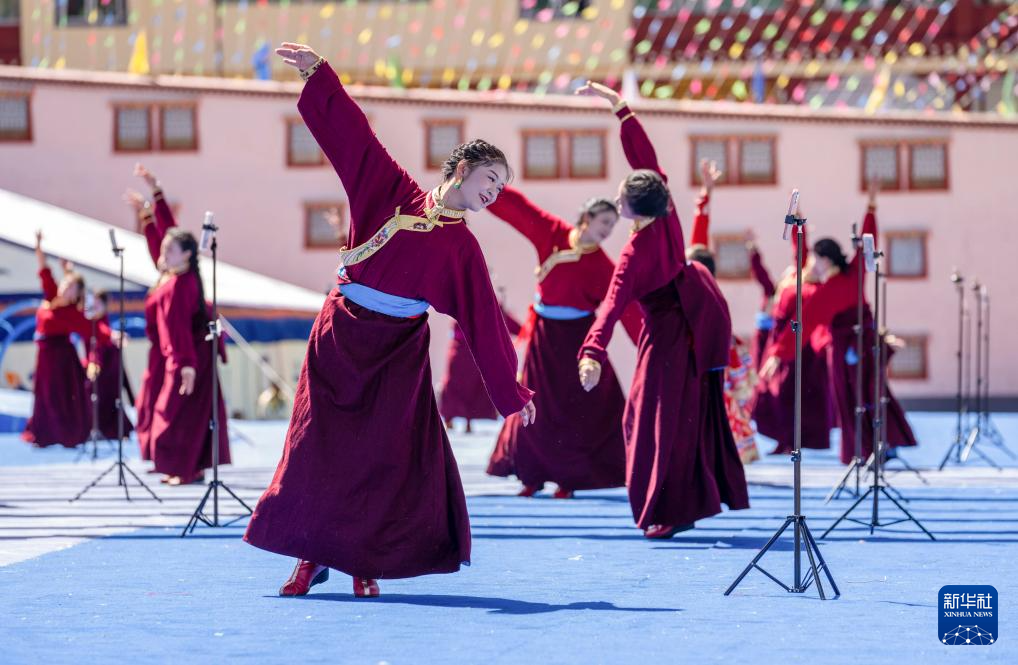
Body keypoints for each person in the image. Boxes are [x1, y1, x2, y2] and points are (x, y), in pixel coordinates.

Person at [243, 43, 535, 599]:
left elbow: (486, 325)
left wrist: (512, 394)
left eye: (501, 188)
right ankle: (309, 558)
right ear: (463, 169)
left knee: (382, 455)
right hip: (340, 334)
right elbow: (355, 139)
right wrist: (318, 74)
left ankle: (364, 561)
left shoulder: (464, 250)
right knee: (317, 446)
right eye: (490, 178)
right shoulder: (393, 189)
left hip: (397, 352)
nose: (495, 192)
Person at [575, 81, 749, 539]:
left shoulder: (634, 255)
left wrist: (591, 353)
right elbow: (646, 161)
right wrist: (620, 108)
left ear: (635, 209)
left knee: (651, 418)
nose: (617, 198)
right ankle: (685, 502)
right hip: (696, 318)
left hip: (670, 336)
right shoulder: (665, 207)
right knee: (679, 414)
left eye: (621, 198)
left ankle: (672, 507)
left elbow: (612, 306)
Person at [484, 186, 643, 498]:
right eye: (604, 222)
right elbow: (521, 211)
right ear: (587, 218)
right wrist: (490, 188)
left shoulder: (605, 266)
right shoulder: (552, 232)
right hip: (544, 338)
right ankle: (531, 475)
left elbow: (625, 309)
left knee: (577, 410)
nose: (608, 230)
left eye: (612, 225)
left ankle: (569, 479)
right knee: (534, 404)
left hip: (577, 341)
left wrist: (649, 345)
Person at [763, 181, 917, 463]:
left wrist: (778, 354)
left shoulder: (828, 291)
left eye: (816, 260)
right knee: (873, 393)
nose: (813, 265)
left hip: (847, 351)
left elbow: (803, 322)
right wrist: (871, 207)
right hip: (867, 345)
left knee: (851, 400)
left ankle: (866, 449)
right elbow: (869, 238)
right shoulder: (854, 272)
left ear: (825, 260)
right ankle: (882, 442)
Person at [684, 159, 761, 464]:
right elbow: (699, 236)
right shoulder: (697, 277)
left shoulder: (703, 290)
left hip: (709, 362)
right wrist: (706, 194)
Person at [147, 229, 231, 486]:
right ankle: (184, 468)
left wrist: (186, 365)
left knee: (181, 414)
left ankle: (188, 470)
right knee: (184, 413)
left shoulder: (183, 284)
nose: (163, 254)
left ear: (186, 254)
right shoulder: (178, 280)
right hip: (187, 355)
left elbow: (179, 328)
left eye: (169, 249)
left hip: (190, 357)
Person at [752, 219, 833, 455]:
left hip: (798, 349)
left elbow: (801, 251)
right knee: (773, 394)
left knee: (792, 396)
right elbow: (764, 277)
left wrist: (800, 227)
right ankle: (783, 438)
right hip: (778, 344)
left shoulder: (811, 289)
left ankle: (792, 440)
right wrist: (753, 251)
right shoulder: (788, 285)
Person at [22, 232, 106, 448]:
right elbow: (44, 271)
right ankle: (44, 434)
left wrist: (109, 339)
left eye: (72, 288)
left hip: (61, 358)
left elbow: (94, 331)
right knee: (43, 395)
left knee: (58, 396)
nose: (66, 288)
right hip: (44, 355)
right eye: (66, 284)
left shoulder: (72, 313)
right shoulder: (52, 296)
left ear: (76, 295)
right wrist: (39, 247)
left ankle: (65, 434)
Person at [125, 163, 176, 463]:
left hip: (174, 354)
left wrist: (156, 191)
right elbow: (156, 242)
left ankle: (169, 456)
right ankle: (156, 453)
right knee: (148, 403)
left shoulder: (176, 281)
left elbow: (169, 231)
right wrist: (145, 214)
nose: (162, 253)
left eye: (169, 250)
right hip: (157, 353)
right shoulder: (162, 277)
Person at [439, 290, 522, 434]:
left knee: (462, 387)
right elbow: (503, 323)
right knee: (462, 387)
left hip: (468, 352)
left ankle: (458, 420)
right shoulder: (481, 301)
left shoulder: (473, 300)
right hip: (467, 351)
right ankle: (455, 419)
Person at [88, 290, 134, 440]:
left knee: (109, 397)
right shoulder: (89, 321)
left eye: (98, 304)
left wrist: (114, 336)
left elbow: (104, 333)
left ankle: (112, 430)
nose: (95, 307)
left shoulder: (103, 322)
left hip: (108, 364)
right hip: (97, 364)